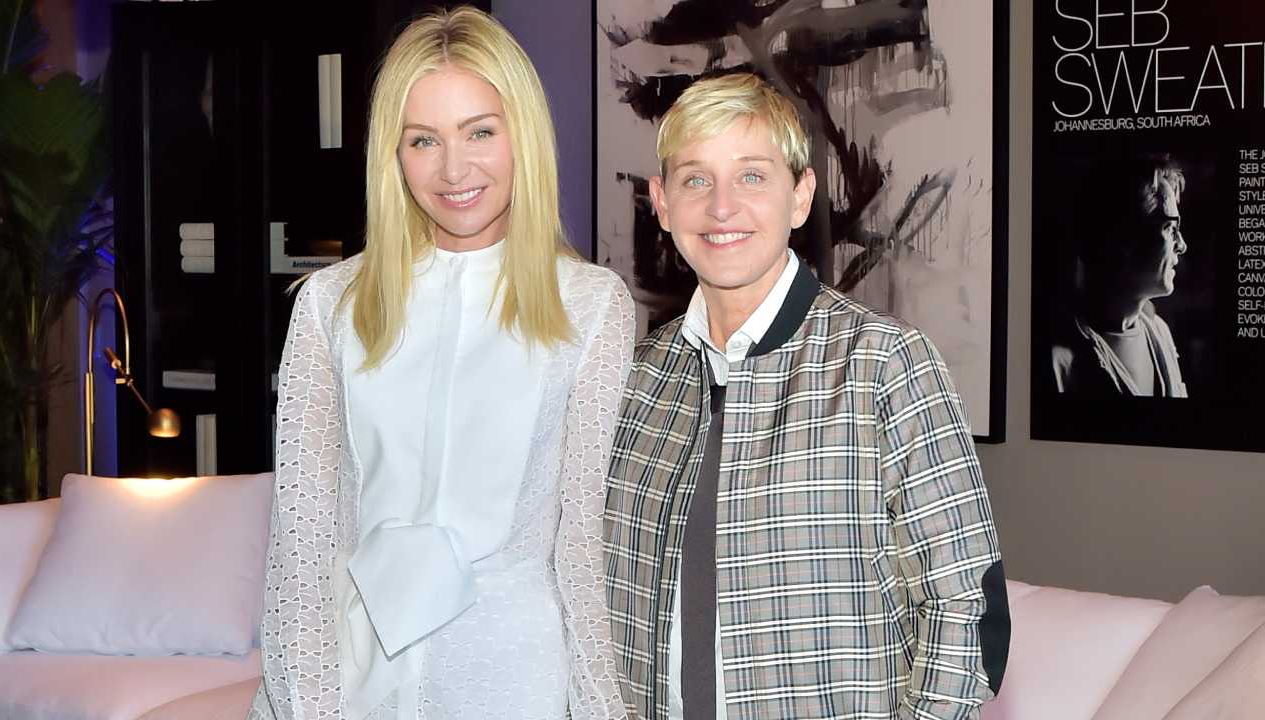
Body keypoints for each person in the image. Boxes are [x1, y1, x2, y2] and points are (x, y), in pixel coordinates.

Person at [249, 7, 633, 719]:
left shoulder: (590, 305)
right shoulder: (330, 305)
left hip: (516, 678)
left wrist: (603, 707)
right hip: (359, 677)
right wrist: (308, 705)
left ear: (522, 135)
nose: (454, 170)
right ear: (393, 154)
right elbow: (301, 544)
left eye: (480, 132)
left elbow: (582, 544)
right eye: (423, 139)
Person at [604, 73, 1009, 720]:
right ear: (662, 202)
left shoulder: (883, 363)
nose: (722, 207)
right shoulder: (634, 380)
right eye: (696, 179)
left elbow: (967, 605)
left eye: (752, 176)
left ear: (800, 197)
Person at [1051, 154, 1190, 397]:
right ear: (1123, 237)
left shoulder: (1160, 333)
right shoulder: (1057, 359)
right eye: (1170, 228)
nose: (1182, 245)